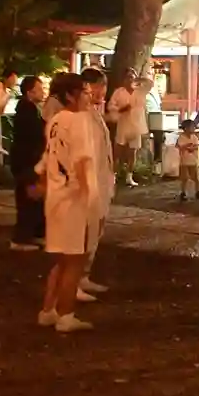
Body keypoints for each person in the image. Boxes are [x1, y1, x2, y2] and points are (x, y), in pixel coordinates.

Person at [37, 72, 104, 333]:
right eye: (85, 91)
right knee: (75, 260)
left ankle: (48, 310)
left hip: (57, 196)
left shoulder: (56, 120)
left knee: (61, 258)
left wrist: (42, 182)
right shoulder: (78, 121)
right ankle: (66, 315)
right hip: (74, 197)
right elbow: (82, 160)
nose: (89, 96)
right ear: (70, 95)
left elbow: (48, 157)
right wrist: (90, 197)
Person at [77, 68, 114, 301]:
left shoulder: (94, 113)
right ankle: (74, 281)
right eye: (99, 86)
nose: (102, 92)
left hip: (102, 181)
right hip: (90, 184)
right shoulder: (80, 116)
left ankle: (84, 274)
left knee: (95, 231)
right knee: (84, 232)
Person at [10, 76, 48, 251]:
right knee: (28, 198)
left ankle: (32, 235)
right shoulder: (27, 111)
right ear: (29, 92)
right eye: (39, 89)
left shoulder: (30, 109)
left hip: (27, 161)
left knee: (33, 199)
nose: (42, 92)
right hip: (26, 162)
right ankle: (21, 238)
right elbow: (33, 136)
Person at [107, 69, 149, 187]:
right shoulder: (119, 92)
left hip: (136, 125)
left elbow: (150, 83)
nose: (130, 79)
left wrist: (139, 80)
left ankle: (129, 177)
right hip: (123, 124)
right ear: (124, 79)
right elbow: (110, 105)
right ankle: (113, 176)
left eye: (132, 77)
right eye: (128, 77)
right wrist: (120, 109)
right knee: (118, 151)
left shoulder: (140, 90)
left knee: (132, 152)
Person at [177, 119, 199, 201]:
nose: (194, 128)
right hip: (184, 161)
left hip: (193, 161)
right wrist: (189, 146)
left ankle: (198, 191)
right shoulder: (181, 137)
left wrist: (190, 147)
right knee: (184, 178)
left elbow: (196, 146)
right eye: (192, 127)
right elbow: (180, 146)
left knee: (196, 178)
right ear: (186, 128)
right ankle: (183, 192)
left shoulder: (194, 137)